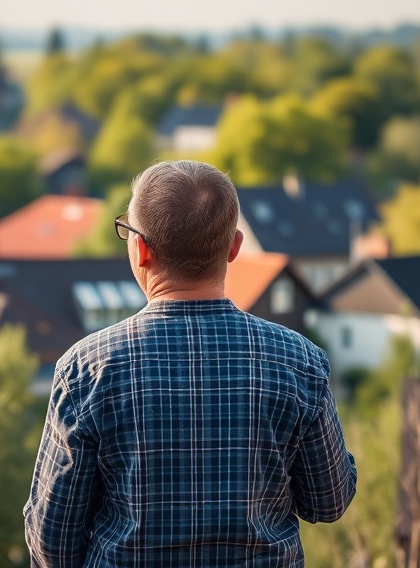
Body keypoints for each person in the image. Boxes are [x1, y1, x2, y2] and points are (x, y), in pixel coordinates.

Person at [24, 160, 356, 567]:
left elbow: (51, 543)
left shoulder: (86, 371)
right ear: (234, 247)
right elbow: (329, 501)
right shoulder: (300, 362)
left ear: (140, 249)